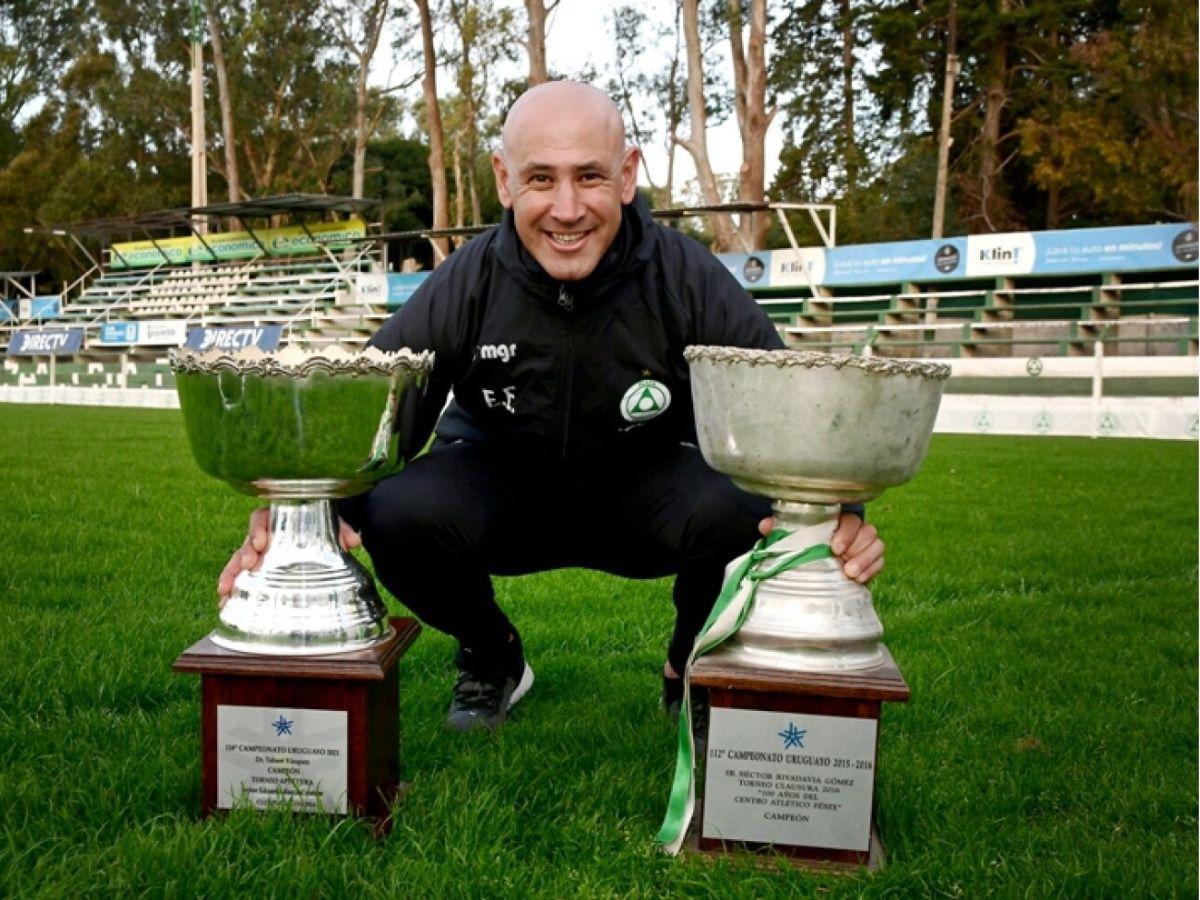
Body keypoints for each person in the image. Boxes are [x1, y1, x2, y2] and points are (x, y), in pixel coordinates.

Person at [219, 81, 884, 731]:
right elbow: (375, 409)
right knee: (397, 511)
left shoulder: (687, 275)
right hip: (501, 488)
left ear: (627, 176)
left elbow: (787, 403)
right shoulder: (469, 278)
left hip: (645, 490)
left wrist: (839, 517)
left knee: (741, 507)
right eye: (541, 180)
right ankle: (493, 654)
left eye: (589, 177)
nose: (567, 209)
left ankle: (692, 661)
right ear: (505, 182)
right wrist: (301, 516)